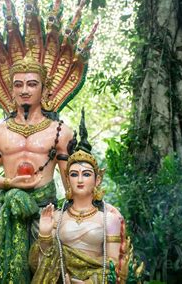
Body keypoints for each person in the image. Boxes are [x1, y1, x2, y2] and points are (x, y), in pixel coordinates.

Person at [0, 0, 99, 283]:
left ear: (44, 88)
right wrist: (10, 184)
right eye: (18, 85)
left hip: (47, 214)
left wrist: (83, 214)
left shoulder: (62, 132)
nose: (24, 90)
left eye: (31, 84)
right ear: (10, 88)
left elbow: (71, 185)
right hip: (9, 216)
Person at [29, 111, 144, 284]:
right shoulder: (57, 217)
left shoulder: (109, 218)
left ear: (97, 179)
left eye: (86, 174)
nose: (80, 180)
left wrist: (89, 283)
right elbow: (40, 266)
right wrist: (45, 236)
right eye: (74, 174)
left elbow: (114, 265)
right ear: (67, 179)